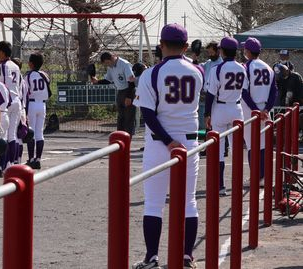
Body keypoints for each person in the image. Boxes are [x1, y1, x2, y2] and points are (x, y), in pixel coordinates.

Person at [132, 23, 203, 269]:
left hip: (160, 143)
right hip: (189, 140)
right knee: (188, 201)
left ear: (161, 44)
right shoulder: (197, 71)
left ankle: (152, 256)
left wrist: (168, 141)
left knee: (154, 202)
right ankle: (186, 257)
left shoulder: (151, 73)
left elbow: (149, 115)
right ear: (185, 46)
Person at [204, 37, 247, 196]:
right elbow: (246, 90)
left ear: (222, 51)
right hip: (236, 108)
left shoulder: (217, 69)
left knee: (219, 149)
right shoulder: (242, 67)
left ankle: (221, 186)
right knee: (237, 150)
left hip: (220, 108)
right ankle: (237, 186)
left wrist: (206, 114)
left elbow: (210, 94)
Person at [241, 38, 276, 186]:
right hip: (266, 109)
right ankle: (262, 176)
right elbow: (274, 91)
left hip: (250, 109)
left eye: (245, 49)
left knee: (251, 145)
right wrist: (266, 109)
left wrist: (256, 110)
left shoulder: (246, 67)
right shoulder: (268, 67)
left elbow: (244, 92)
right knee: (262, 144)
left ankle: (256, 177)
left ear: (248, 52)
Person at [90, 51, 136, 138]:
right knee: (121, 117)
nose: (108, 65)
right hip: (120, 91)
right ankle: (120, 137)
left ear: (112, 58)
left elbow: (132, 82)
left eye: (107, 63)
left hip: (129, 91)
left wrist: (129, 97)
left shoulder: (124, 64)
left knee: (129, 118)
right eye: (106, 64)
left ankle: (128, 139)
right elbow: (108, 80)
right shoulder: (111, 67)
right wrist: (97, 82)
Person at [0, 41, 22, 170]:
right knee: (13, 134)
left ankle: (4, 164)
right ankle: (12, 162)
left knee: (4, 134)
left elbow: (3, 84)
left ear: (1, 52)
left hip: (8, 101)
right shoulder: (15, 66)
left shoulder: (2, 66)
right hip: (17, 100)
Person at [25, 52, 52, 170]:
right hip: (42, 104)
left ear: (31, 63)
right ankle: (38, 159)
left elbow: (25, 91)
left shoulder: (28, 75)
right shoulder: (44, 75)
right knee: (39, 133)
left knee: (31, 132)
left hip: (31, 103)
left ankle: (31, 159)